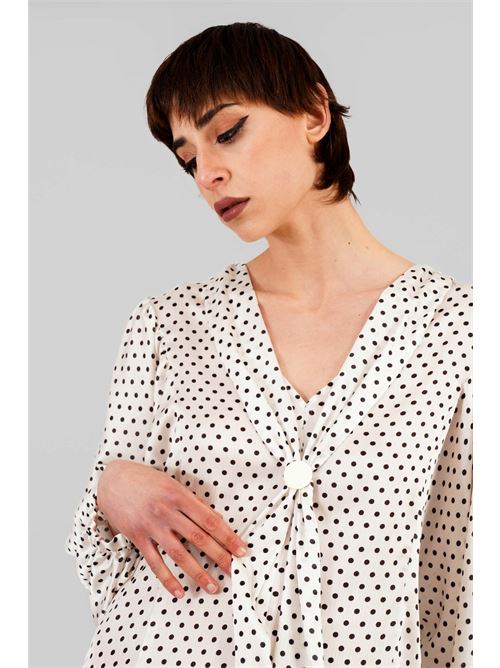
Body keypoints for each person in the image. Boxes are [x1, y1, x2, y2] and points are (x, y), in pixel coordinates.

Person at [65, 21, 473, 668]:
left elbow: (461, 585)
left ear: (314, 114)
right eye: (188, 159)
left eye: (228, 132)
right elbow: (107, 569)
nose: (208, 173)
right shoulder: (167, 326)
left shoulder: (460, 330)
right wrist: (108, 490)